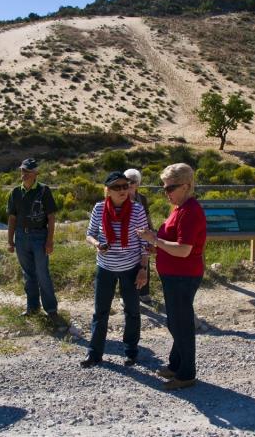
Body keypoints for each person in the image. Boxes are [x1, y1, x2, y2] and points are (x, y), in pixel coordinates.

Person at [137, 163, 206, 391]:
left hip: (183, 275)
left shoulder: (190, 211)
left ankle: (186, 374)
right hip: (175, 274)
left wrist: (155, 240)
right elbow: (174, 243)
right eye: (164, 187)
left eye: (170, 188)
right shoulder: (180, 208)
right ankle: (176, 365)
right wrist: (156, 246)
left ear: (186, 186)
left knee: (180, 324)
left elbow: (184, 250)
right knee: (177, 321)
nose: (166, 192)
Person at [82, 171, 149, 368]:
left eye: (125, 186)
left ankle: (131, 352)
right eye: (117, 187)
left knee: (132, 311)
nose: (122, 190)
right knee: (100, 312)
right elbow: (89, 234)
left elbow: (144, 242)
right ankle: (94, 354)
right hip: (105, 267)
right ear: (108, 191)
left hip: (131, 268)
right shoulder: (99, 208)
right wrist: (97, 244)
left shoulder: (137, 209)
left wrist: (143, 268)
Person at [7, 158, 61, 325]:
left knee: (42, 273)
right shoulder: (15, 192)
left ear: (35, 173)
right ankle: (32, 308)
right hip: (21, 237)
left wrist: (49, 241)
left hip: (39, 237)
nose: (24, 174)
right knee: (28, 274)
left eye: (27, 171)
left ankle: (51, 310)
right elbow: (12, 218)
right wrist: (10, 241)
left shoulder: (44, 190)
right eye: (22, 170)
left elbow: (51, 217)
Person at [124, 168, 154, 304]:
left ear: (138, 184)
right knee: (127, 266)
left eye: (133, 181)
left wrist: (151, 230)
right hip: (127, 236)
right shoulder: (121, 196)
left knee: (144, 261)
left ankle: (144, 292)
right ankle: (126, 295)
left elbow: (147, 215)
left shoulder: (142, 198)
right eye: (127, 180)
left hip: (142, 234)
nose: (130, 183)